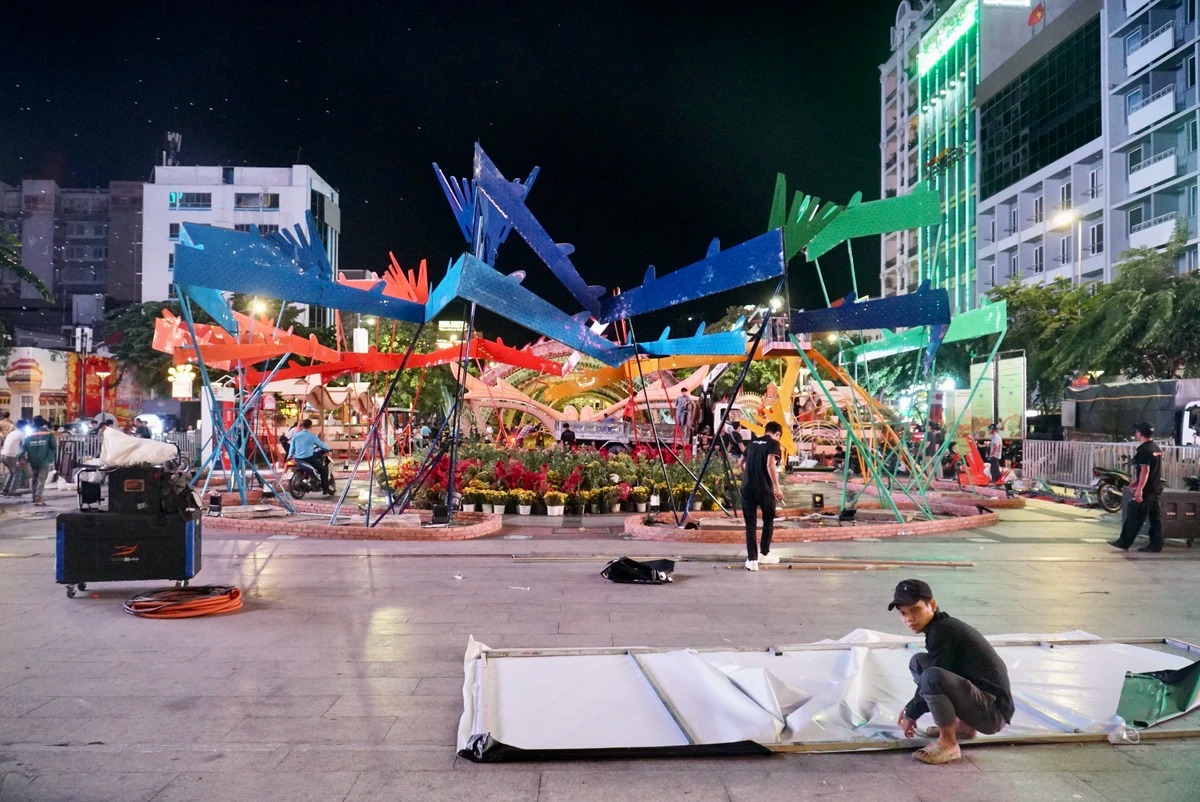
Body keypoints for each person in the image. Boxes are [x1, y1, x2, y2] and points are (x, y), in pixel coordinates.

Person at [891, 579, 1014, 765]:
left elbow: (933, 679)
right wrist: (912, 707)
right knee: (919, 662)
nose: (908, 618)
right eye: (903, 613)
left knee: (932, 676)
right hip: (984, 703)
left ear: (932, 605)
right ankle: (964, 727)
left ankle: (948, 743)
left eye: (915, 609)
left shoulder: (943, 631)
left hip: (993, 713)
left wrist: (911, 713)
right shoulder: (941, 628)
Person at [1109, 421, 1164, 553]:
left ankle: (1124, 542)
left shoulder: (1144, 450)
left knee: (1134, 516)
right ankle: (1156, 545)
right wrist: (1136, 481)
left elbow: (1145, 470)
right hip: (1155, 488)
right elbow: (1151, 471)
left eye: (1137, 431)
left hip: (1146, 490)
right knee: (1156, 519)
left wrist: (1139, 489)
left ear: (1139, 433)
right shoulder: (1155, 448)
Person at [739, 421, 784, 571]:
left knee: (750, 524)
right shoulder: (773, 443)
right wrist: (778, 487)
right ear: (777, 434)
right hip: (764, 489)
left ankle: (752, 560)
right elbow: (770, 464)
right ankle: (764, 553)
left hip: (747, 488)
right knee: (768, 519)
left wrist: (748, 475)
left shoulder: (751, 443)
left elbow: (740, 463)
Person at [287, 419, 334, 496]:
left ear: (302, 426)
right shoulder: (312, 436)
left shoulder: (296, 435)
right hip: (308, 458)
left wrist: (289, 456)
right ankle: (326, 489)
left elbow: (292, 447)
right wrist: (329, 449)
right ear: (311, 426)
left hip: (297, 458)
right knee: (323, 470)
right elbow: (321, 444)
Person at [20, 416, 57, 507]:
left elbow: (23, 447)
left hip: (33, 460)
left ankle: (34, 497)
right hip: (44, 459)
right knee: (41, 479)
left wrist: (19, 458)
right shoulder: (48, 433)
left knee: (34, 478)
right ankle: (38, 498)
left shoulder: (29, 434)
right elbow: (54, 446)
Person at [1, 419, 28, 496]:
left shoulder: (12, 433)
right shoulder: (22, 434)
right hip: (11, 456)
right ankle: (12, 491)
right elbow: (23, 448)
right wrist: (20, 459)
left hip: (4, 455)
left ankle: (5, 489)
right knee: (17, 473)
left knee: (11, 472)